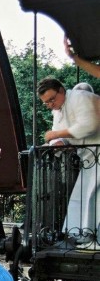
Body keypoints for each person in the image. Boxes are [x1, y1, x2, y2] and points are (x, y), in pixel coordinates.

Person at [38, 77, 100, 243]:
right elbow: (59, 134)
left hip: (97, 156)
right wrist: (58, 142)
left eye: (52, 99)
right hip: (88, 160)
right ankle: (82, 236)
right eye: (46, 102)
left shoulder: (80, 98)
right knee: (83, 199)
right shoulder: (57, 111)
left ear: (62, 91)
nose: (50, 104)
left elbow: (89, 126)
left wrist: (58, 135)